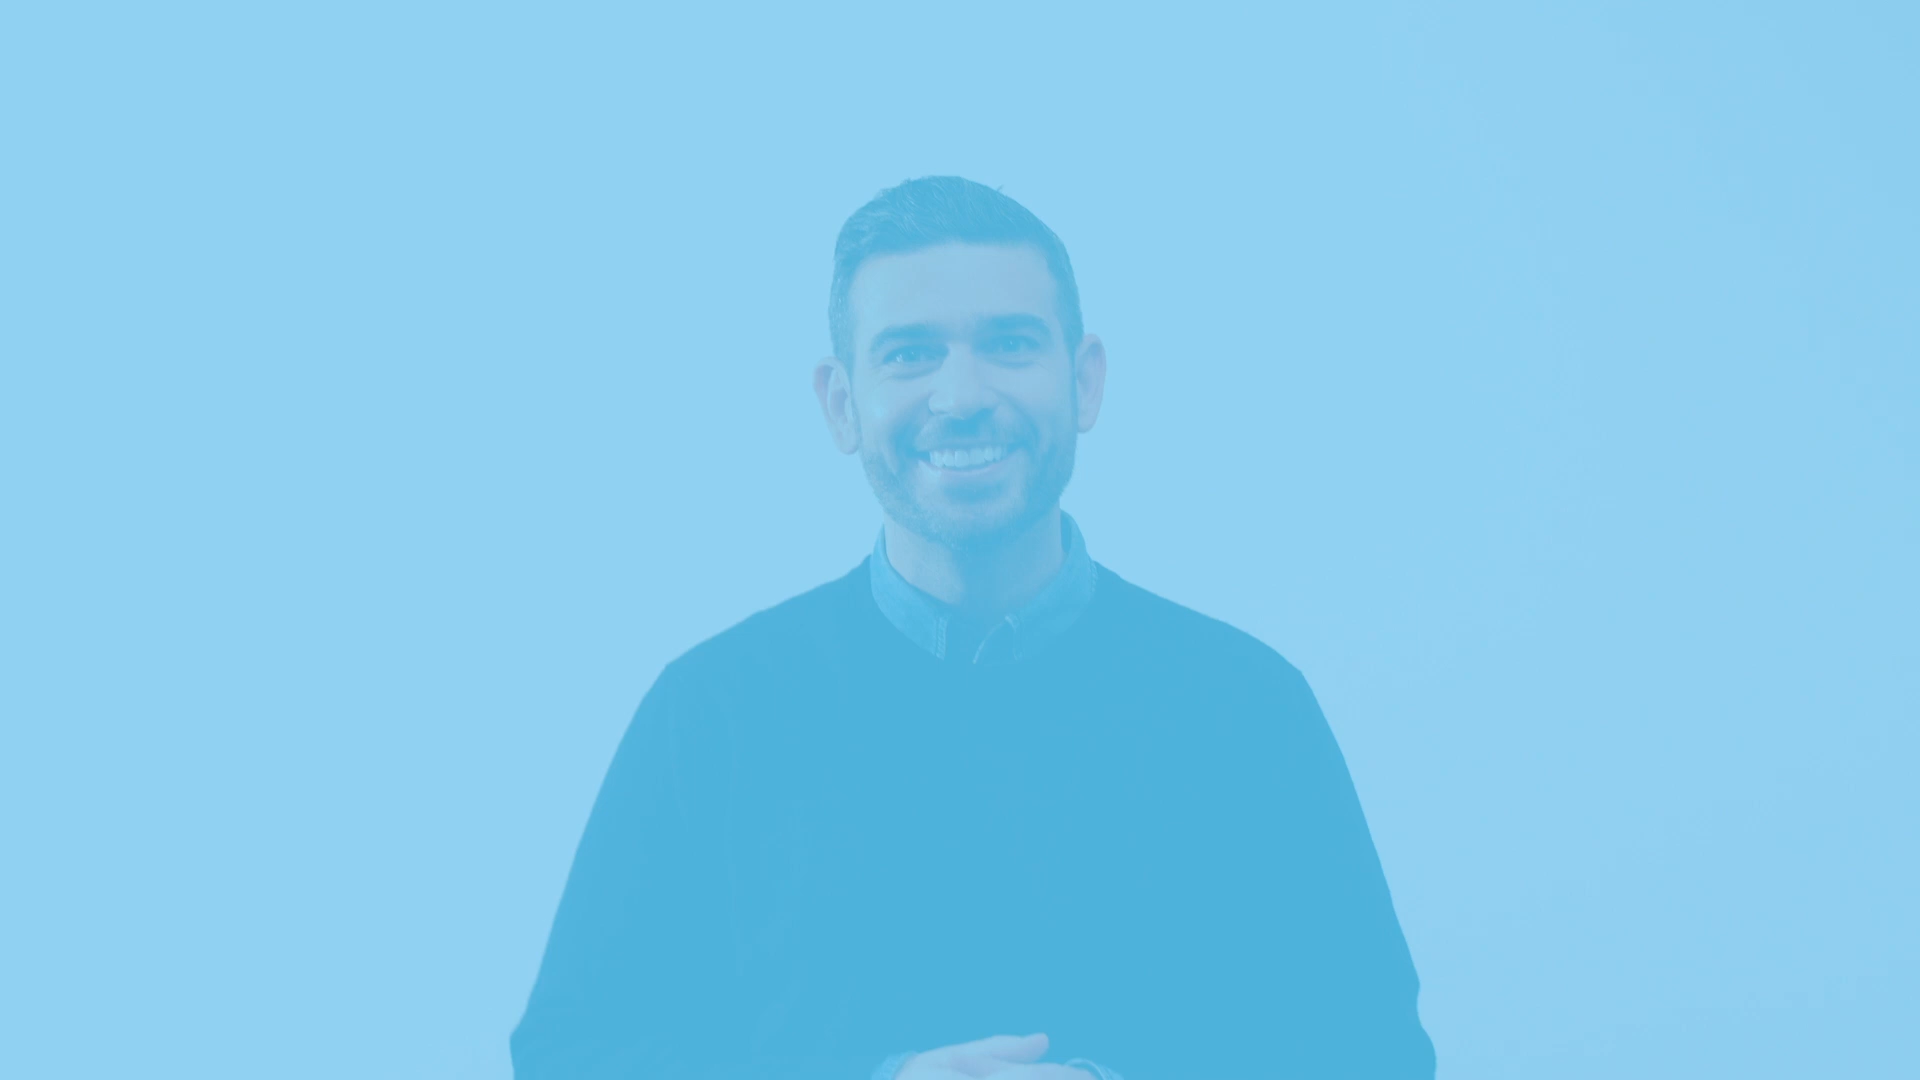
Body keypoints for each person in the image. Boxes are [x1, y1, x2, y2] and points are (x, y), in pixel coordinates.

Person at [510, 176, 1436, 1079]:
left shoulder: (1246, 706)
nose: (961, 395)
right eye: (910, 353)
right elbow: (568, 1059)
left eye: (1009, 344)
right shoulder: (714, 710)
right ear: (841, 403)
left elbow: (1377, 1058)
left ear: (1085, 383)